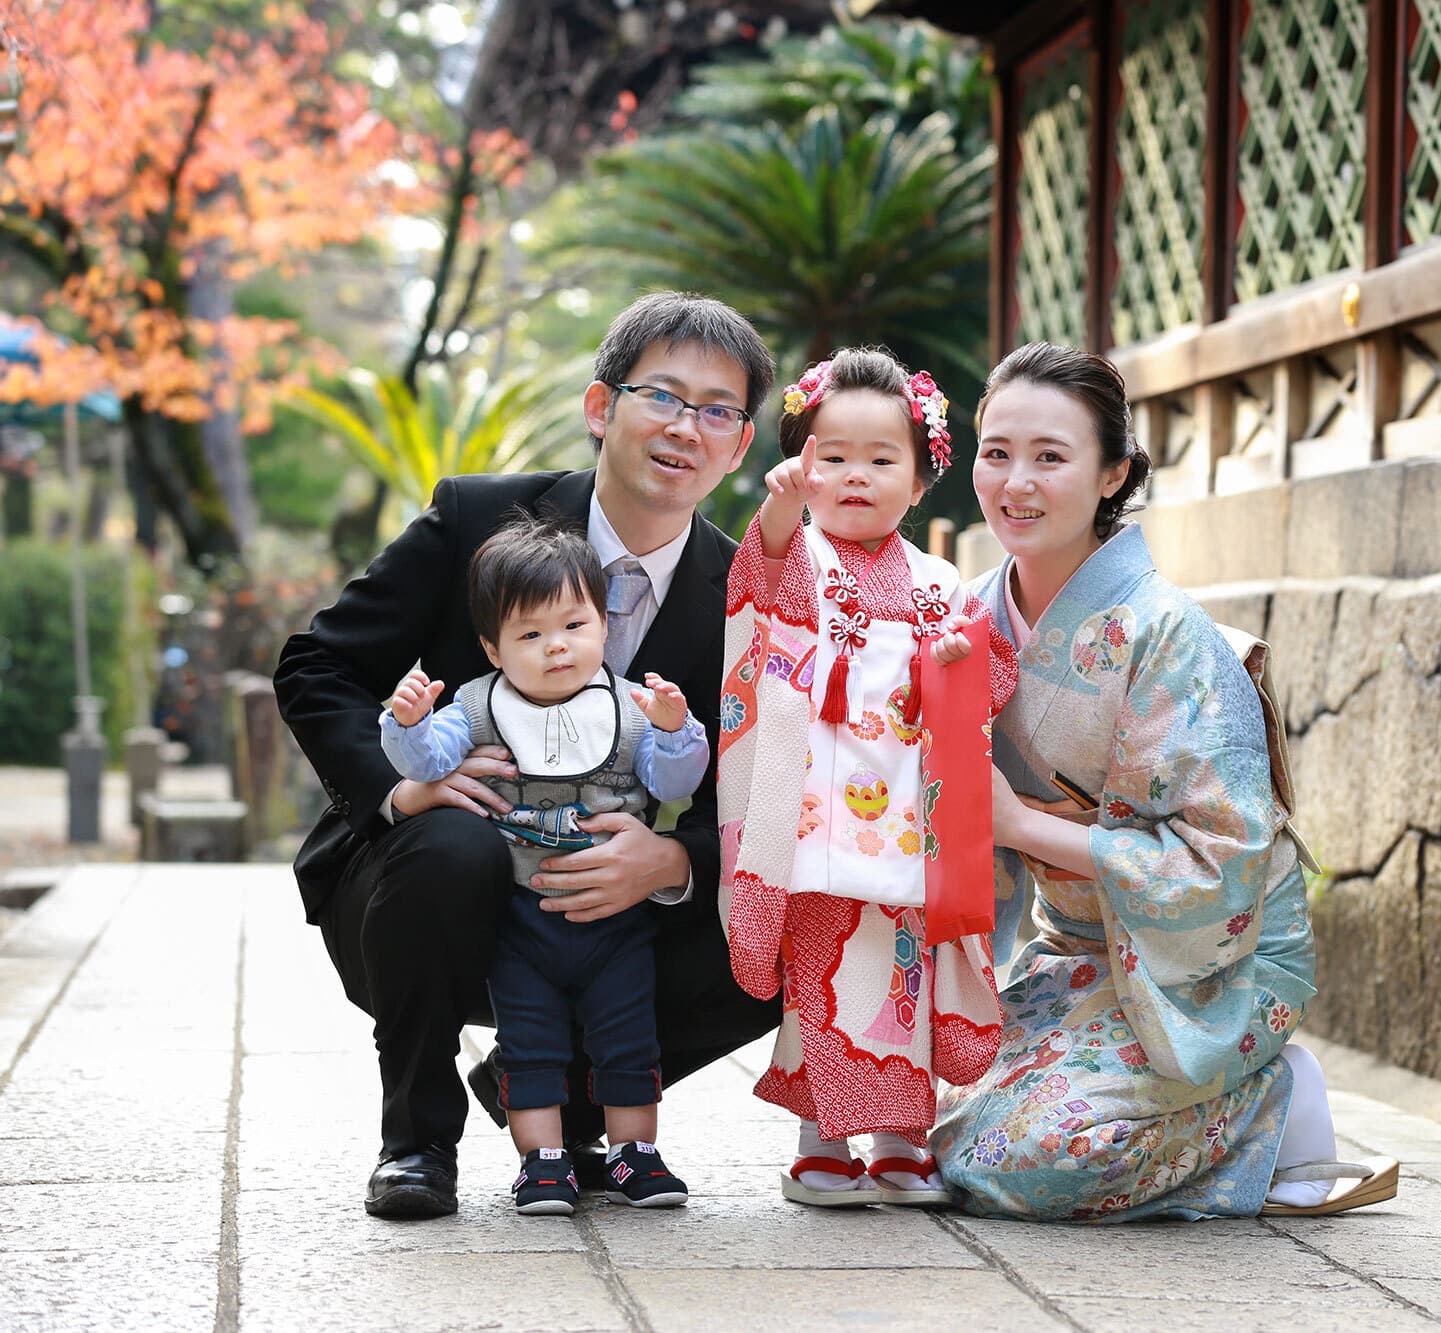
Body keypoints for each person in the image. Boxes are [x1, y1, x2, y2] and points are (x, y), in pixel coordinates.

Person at [274, 291, 783, 1218]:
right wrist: (401, 788)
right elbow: (317, 664)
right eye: (661, 396)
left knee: (789, 923)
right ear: (601, 408)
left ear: (741, 446)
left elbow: (772, 785)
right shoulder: (477, 520)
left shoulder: (747, 593)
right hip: (432, 891)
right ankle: (417, 1143)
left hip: (608, 913)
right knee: (452, 844)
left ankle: (557, 1093)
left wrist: (676, 858)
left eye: (718, 410)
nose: (686, 427)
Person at [931, 342, 1400, 1221]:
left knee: (1040, 1156)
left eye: (1051, 457)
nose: (1015, 482)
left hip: (1215, 960)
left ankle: (1274, 1097)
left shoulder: (1164, 633)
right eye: (997, 452)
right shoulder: (971, 616)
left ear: (1112, 474)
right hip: (1083, 950)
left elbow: (1222, 862)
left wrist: (1020, 826)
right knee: (910, 1115)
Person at [717, 348, 1017, 1207]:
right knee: (821, 978)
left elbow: (985, 683)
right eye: (832, 457)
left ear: (921, 481)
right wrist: (774, 519)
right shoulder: (797, 555)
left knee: (901, 982)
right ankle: (820, 1141)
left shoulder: (938, 581)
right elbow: (759, 593)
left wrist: (957, 664)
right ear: (801, 468)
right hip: (813, 820)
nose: (856, 476)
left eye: (882, 459)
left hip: (906, 827)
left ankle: (896, 1140)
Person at [379, 515, 708, 1214]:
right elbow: (427, 761)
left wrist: (677, 728)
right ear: (493, 648)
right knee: (529, 1040)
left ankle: (634, 1154)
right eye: (530, 634)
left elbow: (675, 781)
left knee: (629, 1034)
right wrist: (408, 724)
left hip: (619, 918)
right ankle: (542, 1162)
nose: (556, 646)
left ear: (602, 626)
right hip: (519, 918)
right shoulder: (476, 708)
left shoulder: (631, 708)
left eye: (574, 625)